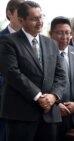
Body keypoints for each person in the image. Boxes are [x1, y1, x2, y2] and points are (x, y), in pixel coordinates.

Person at [0, 1, 66, 141]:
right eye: (34, 19)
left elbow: (61, 75)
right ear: (21, 20)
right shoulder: (8, 42)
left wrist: (53, 96)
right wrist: (38, 96)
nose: (40, 22)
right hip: (21, 115)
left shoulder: (51, 43)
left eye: (41, 17)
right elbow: (12, 73)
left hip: (49, 115)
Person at [0, 0, 24, 140]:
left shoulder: (36, 40)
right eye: (20, 11)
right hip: (5, 106)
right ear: (9, 13)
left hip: (33, 108)